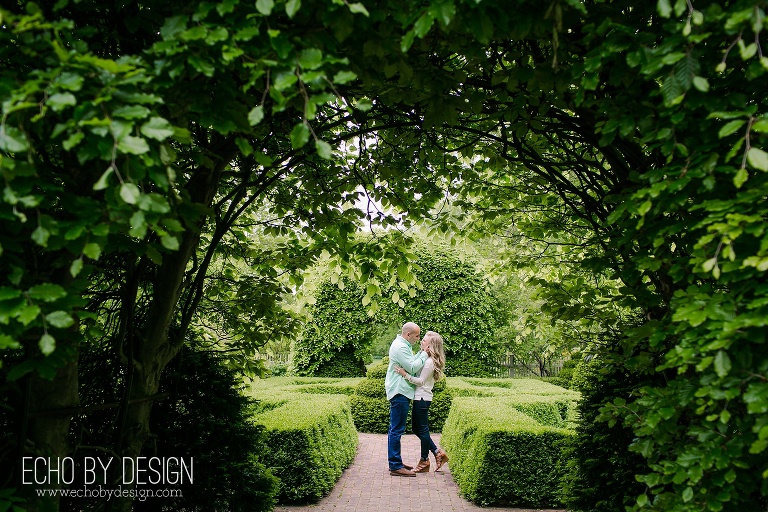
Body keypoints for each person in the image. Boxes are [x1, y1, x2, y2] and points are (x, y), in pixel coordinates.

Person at [395, 330, 449, 472]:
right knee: (416, 429)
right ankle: (437, 453)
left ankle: (424, 460)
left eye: (424, 340)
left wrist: (404, 374)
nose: (421, 342)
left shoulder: (430, 362)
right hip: (419, 397)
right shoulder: (426, 358)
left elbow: (420, 381)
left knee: (423, 429)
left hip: (422, 398)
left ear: (431, 346)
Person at [385, 322, 427, 477]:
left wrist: (419, 354)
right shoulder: (401, 347)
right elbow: (412, 367)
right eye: (417, 336)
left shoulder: (403, 345)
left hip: (400, 391)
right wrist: (424, 353)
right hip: (399, 391)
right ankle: (395, 465)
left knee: (394, 429)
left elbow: (409, 362)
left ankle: (396, 462)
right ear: (408, 334)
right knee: (396, 429)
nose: (418, 338)